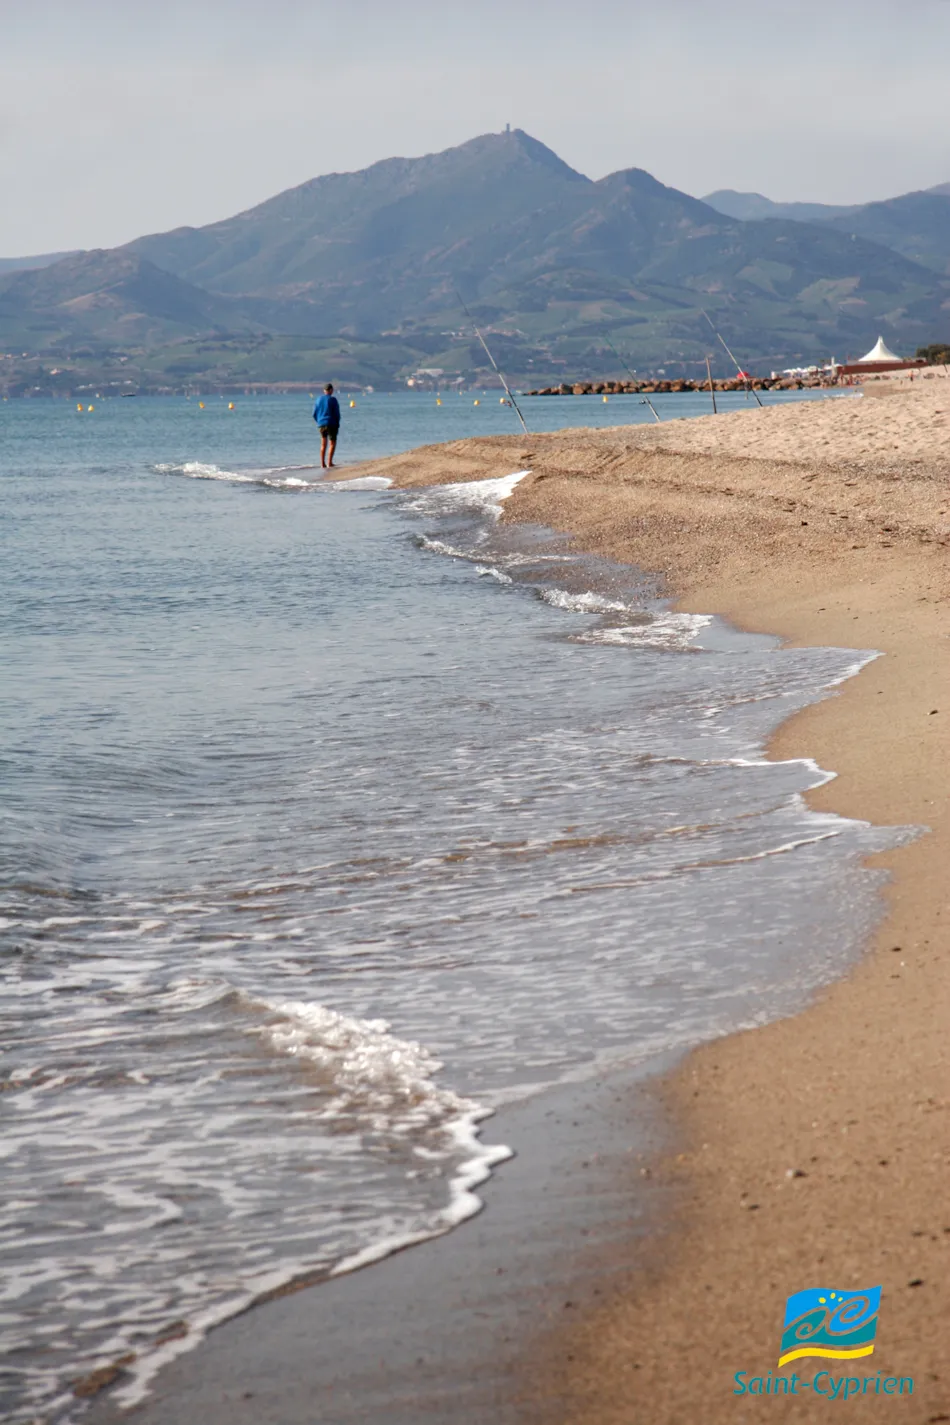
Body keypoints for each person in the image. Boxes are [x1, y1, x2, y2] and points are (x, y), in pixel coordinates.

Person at [313, 383, 341, 469]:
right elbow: (337, 413)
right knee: (332, 443)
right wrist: (337, 422)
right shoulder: (333, 400)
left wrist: (319, 421)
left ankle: (322, 464)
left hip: (321, 424)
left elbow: (314, 413)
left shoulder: (318, 400)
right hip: (331, 423)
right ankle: (329, 462)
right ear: (331, 390)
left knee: (323, 444)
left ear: (324, 391)